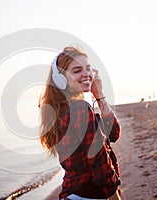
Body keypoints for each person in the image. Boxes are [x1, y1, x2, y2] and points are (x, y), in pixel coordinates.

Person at [39, 46, 121, 200]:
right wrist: (114, 195)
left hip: (73, 193)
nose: (87, 74)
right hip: (89, 194)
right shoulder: (79, 109)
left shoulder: (61, 109)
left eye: (88, 69)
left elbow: (113, 133)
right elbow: (98, 158)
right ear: (60, 78)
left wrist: (99, 95)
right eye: (77, 70)